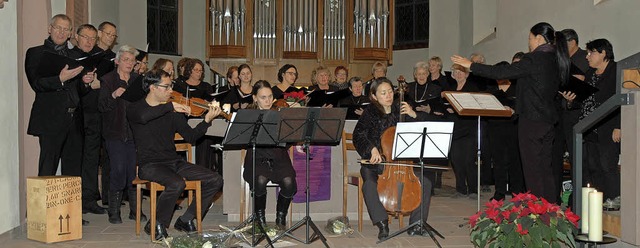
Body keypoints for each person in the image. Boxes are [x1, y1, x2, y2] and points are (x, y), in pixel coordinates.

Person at [451, 22, 571, 203]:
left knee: (532, 170)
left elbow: (501, 72)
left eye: (530, 39)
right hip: (547, 121)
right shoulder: (555, 59)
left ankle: (538, 214)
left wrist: (472, 66)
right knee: (545, 168)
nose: (529, 43)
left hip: (532, 121)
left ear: (538, 39)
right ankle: (550, 210)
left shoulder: (535, 59)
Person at [127, 69, 224, 240]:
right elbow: (143, 117)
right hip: (149, 165)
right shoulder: (135, 107)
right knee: (176, 184)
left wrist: (207, 120)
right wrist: (170, 106)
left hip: (174, 162)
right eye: (166, 87)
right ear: (152, 87)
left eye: (171, 86)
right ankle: (157, 223)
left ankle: (186, 219)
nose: (171, 91)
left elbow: (192, 136)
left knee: (215, 179)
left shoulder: (172, 113)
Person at [352, 77, 435, 240]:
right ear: (374, 96)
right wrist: (372, 149)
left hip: (404, 164)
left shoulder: (400, 108)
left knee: (426, 183)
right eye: (383, 93)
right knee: (369, 184)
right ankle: (382, 223)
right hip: (377, 164)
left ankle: (416, 224)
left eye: (390, 91)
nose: (388, 95)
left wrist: (413, 114)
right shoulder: (370, 112)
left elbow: (422, 130)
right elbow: (358, 135)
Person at [25, 14, 95, 177]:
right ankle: (43, 204)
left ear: (71, 33)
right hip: (50, 118)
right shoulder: (36, 53)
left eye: (66, 29)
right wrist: (60, 79)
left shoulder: (74, 57)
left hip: (74, 120)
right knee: (47, 170)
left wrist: (85, 82)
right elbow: (36, 84)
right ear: (50, 29)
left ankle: (72, 204)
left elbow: (79, 90)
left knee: (73, 172)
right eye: (58, 27)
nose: (61, 32)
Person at [561, 38, 620, 204]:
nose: (587, 57)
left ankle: (614, 199)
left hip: (608, 126)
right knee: (593, 166)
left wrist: (619, 126)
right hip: (589, 127)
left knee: (607, 165)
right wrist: (571, 99)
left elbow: (621, 101)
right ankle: (599, 200)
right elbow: (582, 100)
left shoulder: (616, 71)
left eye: (591, 52)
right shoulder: (590, 74)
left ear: (603, 53)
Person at [98, 45, 146, 224]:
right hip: (114, 132)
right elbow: (101, 106)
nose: (129, 63)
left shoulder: (137, 80)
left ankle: (136, 211)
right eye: (125, 59)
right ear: (117, 61)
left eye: (132, 60)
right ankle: (114, 212)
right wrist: (113, 95)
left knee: (133, 172)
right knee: (118, 170)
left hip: (134, 134)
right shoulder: (108, 80)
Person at [243, 80, 297, 229]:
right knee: (260, 180)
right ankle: (260, 220)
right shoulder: (248, 115)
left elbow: (288, 142)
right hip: (257, 157)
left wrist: (290, 136)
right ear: (255, 98)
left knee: (289, 182)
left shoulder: (279, 114)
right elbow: (243, 139)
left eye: (269, 96)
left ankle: (281, 219)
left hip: (279, 156)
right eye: (263, 97)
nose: (267, 101)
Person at [72, 24, 108, 215]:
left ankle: (90, 198)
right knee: (75, 159)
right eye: (85, 37)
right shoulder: (69, 57)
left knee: (93, 158)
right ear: (76, 37)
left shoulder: (100, 58)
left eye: (92, 38)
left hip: (94, 114)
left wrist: (99, 83)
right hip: (76, 115)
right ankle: (75, 201)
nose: (88, 41)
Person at [486, 61, 525, 201]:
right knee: (498, 161)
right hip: (495, 127)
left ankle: (516, 192)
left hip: (512, 126)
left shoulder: (516, 86)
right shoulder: (491, 88)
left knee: (515, 159)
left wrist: (513, 109)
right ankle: (499, 191)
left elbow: (522, 105)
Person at [443, 64, 480, 199]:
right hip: (455, 128)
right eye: (456, 72)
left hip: (468, 128)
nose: (458, 74)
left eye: (461, 72)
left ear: (467, 74)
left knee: (469, 160)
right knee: (456, 160)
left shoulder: (472, 88)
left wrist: (458, 110)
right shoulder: (451, 89)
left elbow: (474, 108)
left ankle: (473, 190)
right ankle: (460, 189)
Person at [96, 21, 118, 207]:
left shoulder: (114, 57)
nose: (110, 38)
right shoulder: (92, 53)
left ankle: (110, 195)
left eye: (113, 36)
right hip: (93, 108)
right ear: (99, 33)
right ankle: (94, 194)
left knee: (109, 153)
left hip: (110, 108)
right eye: (108, 34)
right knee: (96, 155)